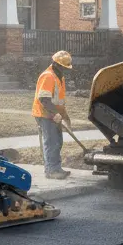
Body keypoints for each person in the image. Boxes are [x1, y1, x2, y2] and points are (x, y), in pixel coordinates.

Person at [33, 50, 74, 179]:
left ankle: (56, 168)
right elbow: (44, 99)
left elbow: (59, 101)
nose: (64, 70)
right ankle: (51, 170)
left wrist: (65, 117)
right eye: (63, 67)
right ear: (56, 64)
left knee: (58, 142)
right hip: (44, 114)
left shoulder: (59, 77)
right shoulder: (48, 76)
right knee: (52, 142)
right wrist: (55, 114)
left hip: (53, 114)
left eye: (65, 68)